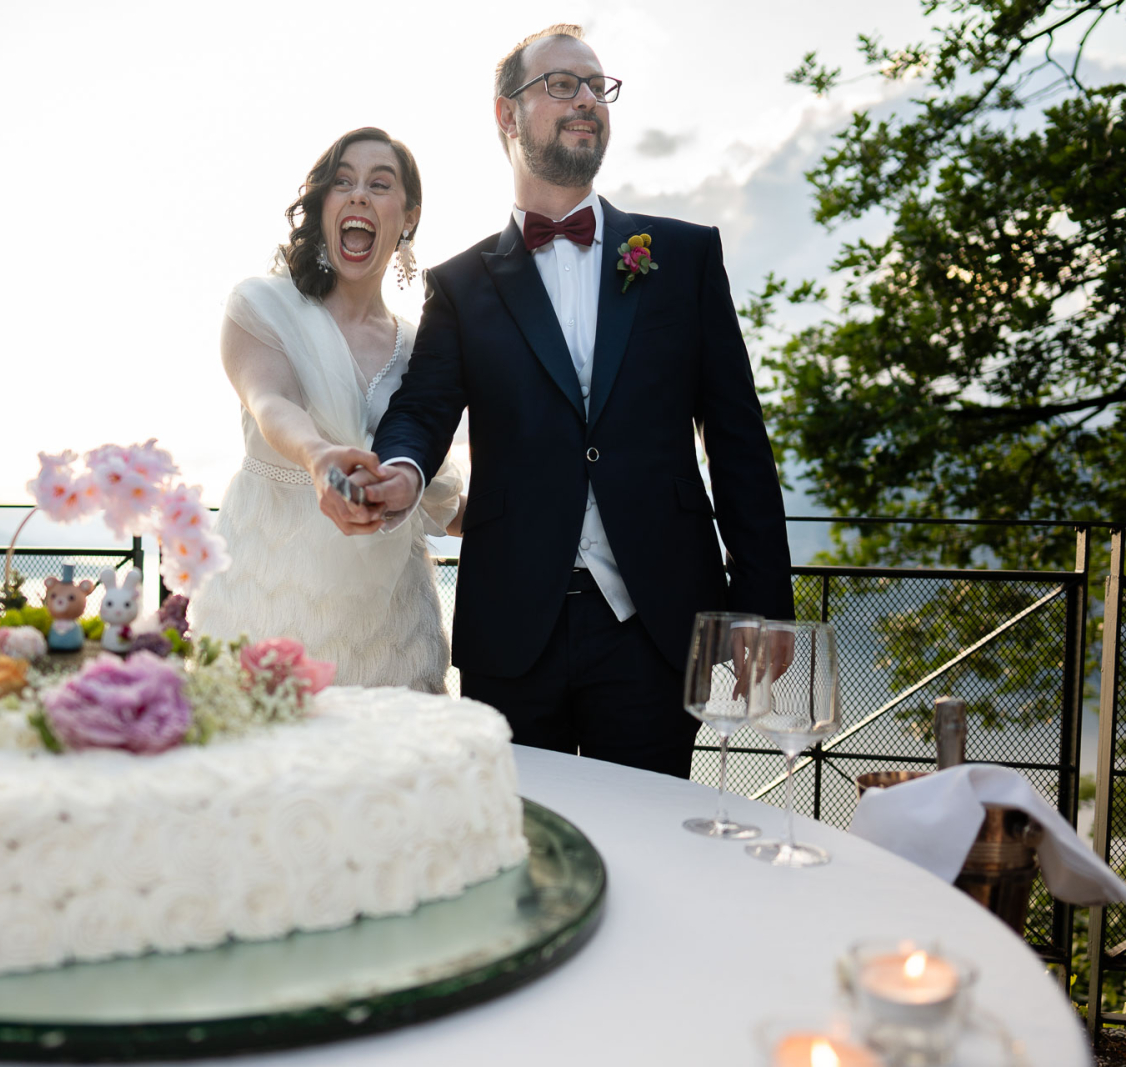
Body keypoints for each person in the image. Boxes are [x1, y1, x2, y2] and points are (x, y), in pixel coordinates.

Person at [335, 25, 794, 775]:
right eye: (561, 84)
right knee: (522, 857)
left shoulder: (683, 257)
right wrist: (402, 471)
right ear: (506, 115)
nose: (586, 98)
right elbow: (423, 408)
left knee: (653, 853)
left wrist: (765, 607)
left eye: (596, 85)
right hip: (514, 628)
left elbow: (738, 440)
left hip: (659, 625)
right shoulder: (461, 283)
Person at [190, 127, 464, 692]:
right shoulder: (261, 305)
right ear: (323, 205)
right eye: (344, 182)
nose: (358, 195)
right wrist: (318, 457)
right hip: (271, 607)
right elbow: (271, 403)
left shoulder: (423, 348)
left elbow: (439, 495)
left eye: (379, 184)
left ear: (408, 217)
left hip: (389, 633)